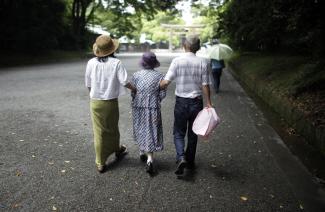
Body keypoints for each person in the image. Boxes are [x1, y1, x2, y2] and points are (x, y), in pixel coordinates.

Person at [160, 34, 212, 176]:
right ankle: (190, 161)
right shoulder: (204, 62)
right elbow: (205, 85)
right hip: (196, 102)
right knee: (193, 132)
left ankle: (181, 157)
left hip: (181, 102)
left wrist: (157, 85)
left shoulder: (177, 61)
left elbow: (166, 82)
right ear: (198, 47)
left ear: (184, 46)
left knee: (178, 132)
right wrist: (209, 104)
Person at [85, 34, 136, 173]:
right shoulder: (116, 63)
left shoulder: (91, 63)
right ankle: (112, 153)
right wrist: (135, 89)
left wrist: (94, 93)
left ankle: (102, 161)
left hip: (95, 102)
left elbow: (88, 84)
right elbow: (125, 81)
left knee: (99, 131)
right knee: (112, 128)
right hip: (110, 102)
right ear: (112, 49)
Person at [131, 52, 166, 175]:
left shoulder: (136, 75)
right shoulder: (160, 76)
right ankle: (150, 159)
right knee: (151, 129)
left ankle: (142, 151)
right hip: (153, 106)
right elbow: (162, 94)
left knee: (140, 127)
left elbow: (133, 93)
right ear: (154, 63)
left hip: (138, 105)